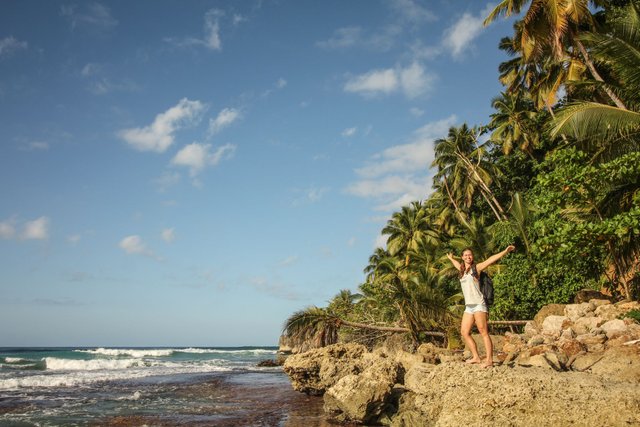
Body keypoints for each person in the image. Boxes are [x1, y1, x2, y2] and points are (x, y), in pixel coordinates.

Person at [446, 245, 515, 368]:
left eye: (470, 255)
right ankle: (476, 357)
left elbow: (490, 260)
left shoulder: (476, 268)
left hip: (479, 304)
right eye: (466, 255)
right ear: (462, 257)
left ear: (472, 257)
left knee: (483, 331)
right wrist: (451, 258)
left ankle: (489, 360)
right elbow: (456, 264)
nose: (468, 257)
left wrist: (504, 251)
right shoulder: (462, 270)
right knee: (464, 332)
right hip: (469, 306)